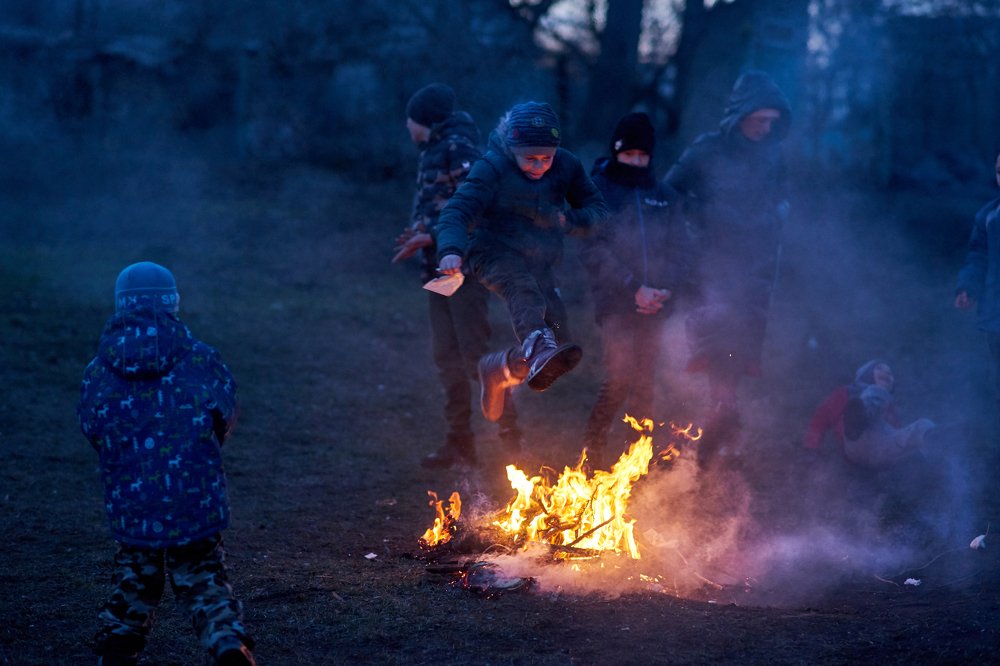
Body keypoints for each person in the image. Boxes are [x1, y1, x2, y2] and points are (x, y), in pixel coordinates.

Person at [77, 262, 256, 666]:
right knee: (202, 574)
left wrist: (122, 456)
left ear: (121, 304)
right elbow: (225, 414)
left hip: (131, 493)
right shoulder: (202, 358)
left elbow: (92, 425)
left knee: (136, 574)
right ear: (172, 303)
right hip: (193, 491)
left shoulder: (99, 369)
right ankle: (226, 641)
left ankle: (120, 645)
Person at [434, 101, 609, 422]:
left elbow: (598, 210)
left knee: (561, 344)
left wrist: (570, 220)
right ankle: (532, 346)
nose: (539, 165)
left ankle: (499, 367)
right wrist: (450, 250)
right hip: (492, 252)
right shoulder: (491, 167)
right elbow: (456, 211)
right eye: (530, 158)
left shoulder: (567, 165)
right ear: (513, 149)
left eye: (546, 158)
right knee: (522, 289)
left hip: (540, 261)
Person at [663, 70, 792, 466]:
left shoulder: (772, 155)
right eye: (759, 119)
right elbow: (669, 190)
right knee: (717, 334)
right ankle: (720, 412)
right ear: (740, 114)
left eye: (771, 121)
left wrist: (777, 214)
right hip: (712, 261)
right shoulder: (708, 149)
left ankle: (724, 416)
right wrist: (697, 219)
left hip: (756, 263)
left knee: (742, 339)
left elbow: (780, 196)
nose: (765, 128)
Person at [392, 82, 523, 468]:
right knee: (446, 356)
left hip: (463, 271)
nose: (408, 126)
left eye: (411, 119)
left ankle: (511, 436)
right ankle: (459, 441)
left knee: (477, 358)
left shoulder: (458, 148)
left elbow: (476, 206)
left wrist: (432, 235)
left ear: (427, 120)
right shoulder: (433, 150)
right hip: (440, 272)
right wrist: (421, 233)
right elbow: (441, 206)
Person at [579, 112, 694, 467]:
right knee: (619, 377)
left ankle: (635, 463)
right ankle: (591, 455)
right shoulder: (598, 192)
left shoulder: (665, 196)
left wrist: (664, 290)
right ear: (616, 152)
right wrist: (633, 287)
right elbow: (592, 249)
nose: (635, 162)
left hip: (655, 304)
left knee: (644, 384)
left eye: (642, 156)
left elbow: (682, 250)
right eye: (628, 155)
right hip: (616, 303)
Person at [803, 359, 934, 468]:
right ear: (866, 373)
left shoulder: (889, 405)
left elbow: (896, 431)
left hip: (882, 449)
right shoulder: (846, 393)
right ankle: (857, 422)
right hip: (855, 444)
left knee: (924, 425)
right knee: (873, 394)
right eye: (879, 368)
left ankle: (937, 443)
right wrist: (811, 447)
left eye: (890, 372)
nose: (886, 373)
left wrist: (916, 451)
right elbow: (821, 419)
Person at [955, 151, 1000, 408]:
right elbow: (978, 257)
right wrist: (968, 288)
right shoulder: (989, 216)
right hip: (996, 316)